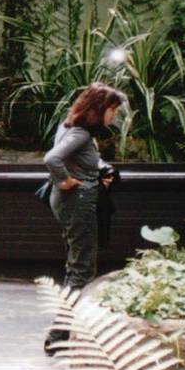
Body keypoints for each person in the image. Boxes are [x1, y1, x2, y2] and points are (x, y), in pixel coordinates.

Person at [42, 83, 126, 350]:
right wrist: (65, 181)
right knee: (82, 268)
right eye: (113, 110)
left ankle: (69, 327)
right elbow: (52, 158)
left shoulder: (71, 127)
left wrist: (101, 167)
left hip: (71, 203)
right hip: (76, 203)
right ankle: (60, 334)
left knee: (75, 263)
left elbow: (81, 158)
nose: (114, 116)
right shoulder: (79, 133)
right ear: (100, 108)